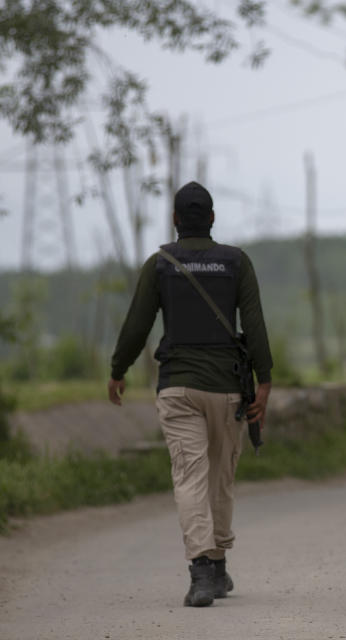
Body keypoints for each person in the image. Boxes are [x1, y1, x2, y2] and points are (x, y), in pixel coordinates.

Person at [107, 182, 273, 608]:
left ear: (176, 220)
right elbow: (254, 325)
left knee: (189, 476)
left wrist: (118, 370)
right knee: (220, 475)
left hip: (177, 387)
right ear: (213, 218)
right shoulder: (236, 262)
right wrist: (266, 380)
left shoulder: (160, 263)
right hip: (226, 390)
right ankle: (213, 567)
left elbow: (137, 324)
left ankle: (205, 568)